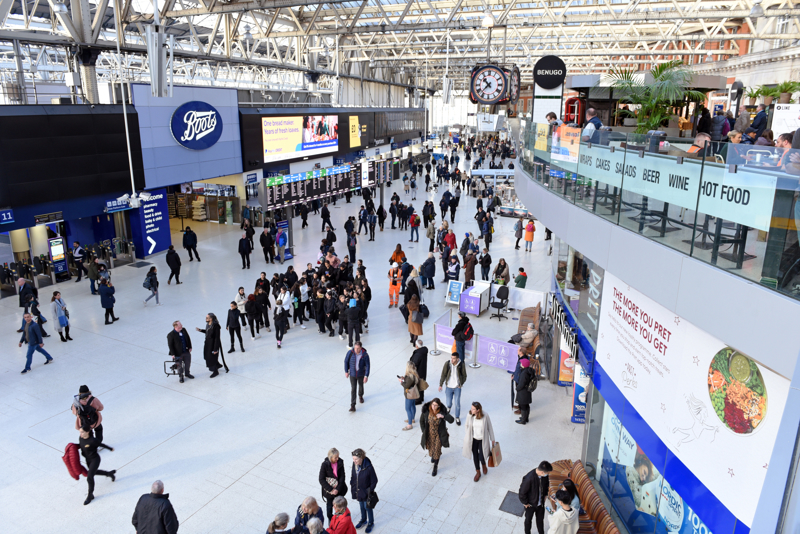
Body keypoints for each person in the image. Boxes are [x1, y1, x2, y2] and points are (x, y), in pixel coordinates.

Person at [78, 425, 116, 505]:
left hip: (95, 459)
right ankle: (109, 473)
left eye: (82, 432)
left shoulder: (92, 440)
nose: (80, 433)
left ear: (87, 432)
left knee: (89, 477)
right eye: (80, 431)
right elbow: (80, 446)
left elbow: (101, 445)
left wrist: (110, 449)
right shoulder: (81, 438)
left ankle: (90, 495)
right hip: (88, 460)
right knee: (93, 472)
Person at [462, 401, 496, 482]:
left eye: (473, 409)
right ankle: (478, 471)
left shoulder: (485, 415)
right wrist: (468, 433)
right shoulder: (469, 415)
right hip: (473, 439)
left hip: (482, 439)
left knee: (482, 455)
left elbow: (490, 427)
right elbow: (466, 425)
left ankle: (484, 465)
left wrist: (492, 439)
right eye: (471, 408)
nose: (471, 410)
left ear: (478, 410)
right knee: (475, 456)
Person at [420, 397, 454, 477]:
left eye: (435, 405)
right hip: (430, 434)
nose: (433, 407)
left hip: (439, 434)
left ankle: (435, 466)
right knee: (431, 448)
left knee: (437, 450)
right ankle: (433, 456)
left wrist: (443, 416)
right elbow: (421, 421)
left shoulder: (442, 411)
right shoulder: (427, 410)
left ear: (439, 406)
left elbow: (452, 420)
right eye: (432, 405)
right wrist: (424, 431)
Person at [72, 385, 112, 450]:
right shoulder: (93, 399)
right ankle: (98, 444)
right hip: (95, 420)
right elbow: (101, 408)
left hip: (84, 422)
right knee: (98, 429)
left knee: (88, 434)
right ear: (88, 391)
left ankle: (90, 447)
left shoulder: (76, 402)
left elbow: (74, 412)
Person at [519, 461, 554, 534]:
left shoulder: (545, 476)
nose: (547, 475)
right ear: (542, 472)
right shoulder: (529, 478)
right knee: (528, 520)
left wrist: (545, 495)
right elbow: (522, 493)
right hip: (530, 505)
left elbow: (547, 484)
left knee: (540, 520)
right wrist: (525, 503)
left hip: (540, 504)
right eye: (547, 473)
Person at [350, 449, 378, 532]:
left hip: (366, 492)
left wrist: (369, 491)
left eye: (356, 459)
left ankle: (371, 523)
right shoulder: (354, 464)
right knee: (361, 506)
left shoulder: (368, 467)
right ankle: (363, 519)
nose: (354, 461)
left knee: (368, 507)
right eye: (353, 459)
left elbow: (374, 480)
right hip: (358, 490)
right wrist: (352, 483)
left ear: (361, 458)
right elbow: (353, 475)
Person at [319, 448, 348, 523]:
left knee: (341, 506)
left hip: (339, 490)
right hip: (329, 492)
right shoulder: (325, 465)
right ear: (330, 457)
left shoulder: (340, 462)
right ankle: (331, 520)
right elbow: (321, 479)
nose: (337, 459)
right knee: (329, 508)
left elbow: (342, 476)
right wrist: (331, 490)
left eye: (338, 456)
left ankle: (342, 519)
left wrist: (337, 489)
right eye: (335, 457)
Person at [438, 352, 467, 426]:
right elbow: (443, 374)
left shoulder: (461, 365)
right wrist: (440, 384)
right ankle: (449, 407)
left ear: (457, 359)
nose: (452, 359)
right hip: (449, 387)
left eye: (453, 358)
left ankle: (457, 417)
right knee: (448, 402)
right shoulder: (447, 364)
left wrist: (461, 384)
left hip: (457, 387)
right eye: (451, 358)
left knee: (457, 403)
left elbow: (464, 376)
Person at [345, 341, 370, 412]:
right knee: (353, 389)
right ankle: (353, 405)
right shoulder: (350, 353)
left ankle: (360, 395)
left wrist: (366, 376)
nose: (356, 350)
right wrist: (346, 371)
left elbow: (368, 366)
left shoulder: (365, 355)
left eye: (358, 348)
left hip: (361, 374)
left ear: (361, 348)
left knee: (361, 386)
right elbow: (346, 361)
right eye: (355, 348)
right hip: (352, 374)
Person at [197, 313, 225, 377]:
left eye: (207, 318)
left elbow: (217, 338)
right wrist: (201, 330)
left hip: (212, 344)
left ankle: (215, 371)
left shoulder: (215, 326)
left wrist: (215, 349)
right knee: (207, 356)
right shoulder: (208, 324)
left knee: (211, 358)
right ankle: (217, 365)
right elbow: (208, 332)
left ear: (211, 319)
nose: (205, 319)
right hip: (207, 343)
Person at [516, 358, 535, 425]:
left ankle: (523, 420)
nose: (520, 364)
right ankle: (526, 418)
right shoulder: (529, 371)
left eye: (521, 363)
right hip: (527, 392)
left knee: (523, 405)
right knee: (526, 405)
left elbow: (521, 384)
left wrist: (517, 388)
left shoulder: (524, 373)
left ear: (524, 365)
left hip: (523, 392)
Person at [410, 339, 428, 406]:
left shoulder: (418, 354)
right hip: (423, 370)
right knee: (421, 384)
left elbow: (414, 365)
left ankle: (418, 400)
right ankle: (421, 397)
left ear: (417, 345)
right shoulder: (424, 351)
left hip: (418, 373)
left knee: (417, 386)